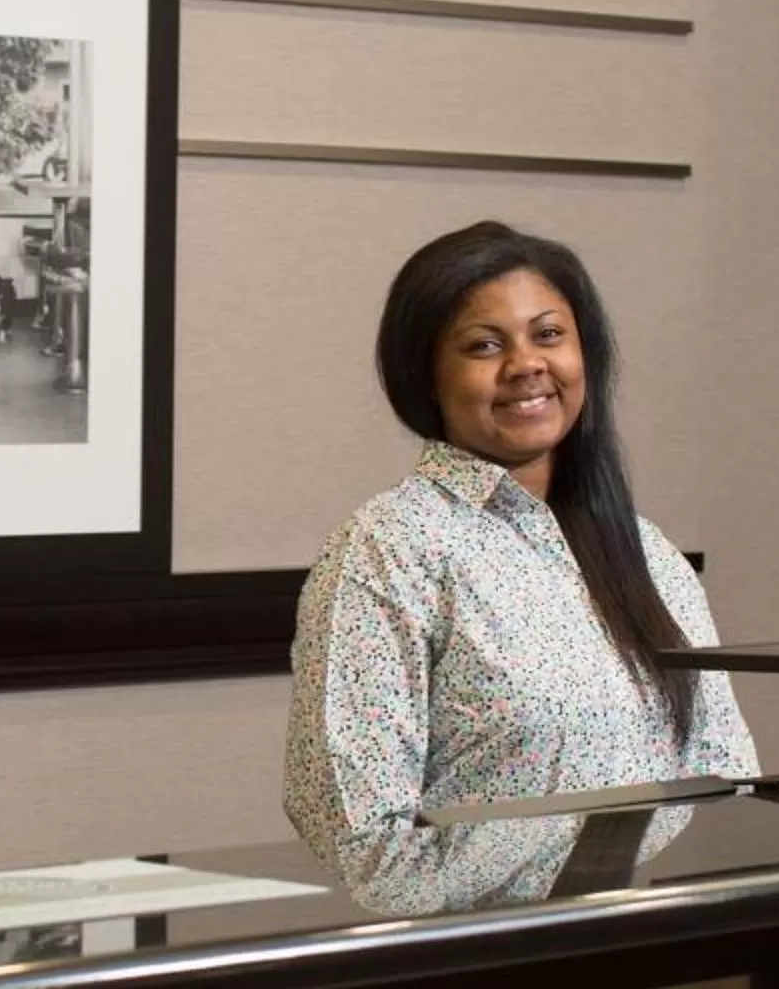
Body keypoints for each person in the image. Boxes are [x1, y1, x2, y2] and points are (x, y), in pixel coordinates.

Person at [285, 221, 754, 914]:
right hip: (477, 970)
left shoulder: (645, 550)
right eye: (483, 345)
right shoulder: (388, 546)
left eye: (549, 335)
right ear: (426, 374)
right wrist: (568, 861)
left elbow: (728, 780)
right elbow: (361, 840)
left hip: (658, 950)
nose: (526, 365)